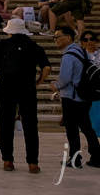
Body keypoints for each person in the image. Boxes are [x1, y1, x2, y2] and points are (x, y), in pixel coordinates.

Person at [0, 16, 51, 173]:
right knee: (30, 125)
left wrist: (0, 76)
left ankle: (8, 160)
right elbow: (47, 67)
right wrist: (38, 82)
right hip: (27, 88)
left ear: (10, 32)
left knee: (7, 124)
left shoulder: (4, 44)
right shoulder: (34, 45)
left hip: (7, 87)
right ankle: (32, 162)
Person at [52, 24, 100, 168]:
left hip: (71, 97)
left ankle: (75, 158)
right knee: (87, 127)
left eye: (58, 37)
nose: (56, 40)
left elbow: (65, 79)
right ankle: (97, 156)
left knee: (72, 129)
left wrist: (56, 85)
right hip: (84, 96)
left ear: (68, 38)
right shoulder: (82, 52)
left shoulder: (68, 55)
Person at [80, 30, 100, 139]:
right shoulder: (79, 55)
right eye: (86, 40)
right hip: (84, 88)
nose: (89, 42)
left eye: (92, 39)